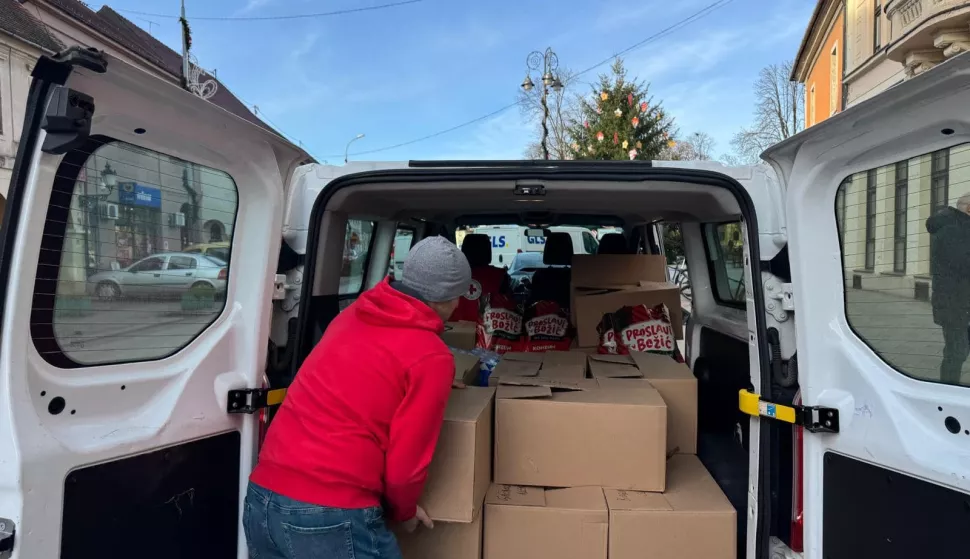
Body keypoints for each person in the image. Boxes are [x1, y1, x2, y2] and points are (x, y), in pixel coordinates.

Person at [244, 236, 472, 559]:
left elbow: (362, 380)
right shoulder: (431, 356)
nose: (459, 305)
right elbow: (406, 464)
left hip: (263, 500)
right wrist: (405, 512)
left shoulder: (353, 315)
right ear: (447, 297)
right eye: (458, 296)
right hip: (331, 514)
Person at [926, 194, 970, 384]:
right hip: (954, 304)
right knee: (956, 352)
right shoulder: (953, 230)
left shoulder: (958, 227)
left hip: (959, 302)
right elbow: (963, 264)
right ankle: (948, 389)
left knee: (957, 350)